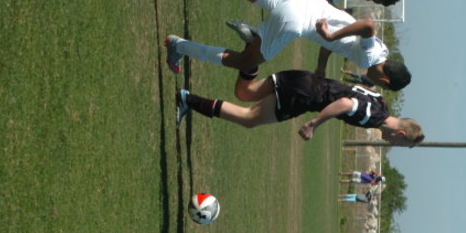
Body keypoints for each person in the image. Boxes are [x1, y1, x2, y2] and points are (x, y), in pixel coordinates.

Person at [164, 0, 412, 92]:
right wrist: (329, 36)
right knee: (244, 63)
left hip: (303, 2)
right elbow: (367, 25)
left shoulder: (381, 50)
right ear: (385, 80)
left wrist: (321, 66)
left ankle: (255, 37)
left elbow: (342, 41)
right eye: (381, 86)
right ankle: (178, 46)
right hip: (295, 22)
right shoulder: (369, 60)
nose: (373, 83)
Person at [175, 69, 424, 147]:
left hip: (306, 79)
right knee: (249, 119)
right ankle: (187, 100)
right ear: (400, 133)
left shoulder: (381, 102)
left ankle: (250, 59)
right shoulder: (373, 116)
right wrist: (314, 124)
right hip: (305, 96)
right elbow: (345, 103)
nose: (393, 144)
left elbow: (352, 91)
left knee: (245, 92)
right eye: (400, 143)